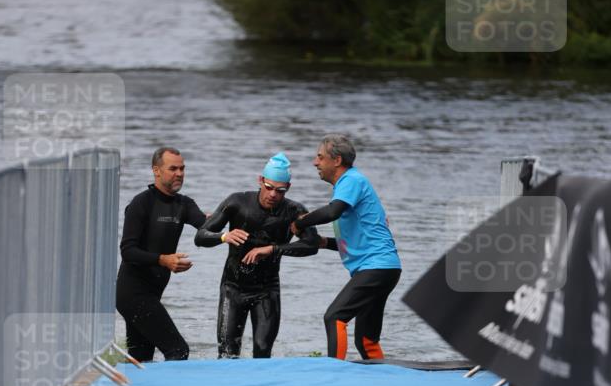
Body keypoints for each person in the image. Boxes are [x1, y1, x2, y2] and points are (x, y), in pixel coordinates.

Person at [195, 152, 319, 358]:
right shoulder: (237, 202)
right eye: (269, 187)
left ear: (288, 188)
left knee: (262, 351)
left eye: (279, 190)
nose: (272, 195)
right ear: (260, 180)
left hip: (267, 290)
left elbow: (312, 244)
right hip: (232, 288)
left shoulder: (294, 211)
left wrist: (273, 249)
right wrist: (224, 236)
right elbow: (200, 236)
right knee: (227, 354)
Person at [292, 135, 401, 361]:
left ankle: (335, 374)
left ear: (337, 160)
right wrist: (324, 243)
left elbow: (332, 212)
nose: (315, 162)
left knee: (335, 317)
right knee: (366, 339)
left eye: (320, 157)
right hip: (384, 268)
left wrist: (301, 221)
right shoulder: (349, 186)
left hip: (377, 267)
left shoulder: (351, 180)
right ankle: (381, 377)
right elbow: (355, 241)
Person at [116, 146, 206, 362]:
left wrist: (231, 224)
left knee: (141, 357)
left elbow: (206, 226)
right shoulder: (141, 203)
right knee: (178, 350)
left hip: (152, 293)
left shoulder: (184, 204)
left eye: (182, 169)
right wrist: (163, 260)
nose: (180, 174)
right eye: (173, 168)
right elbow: (128, 251)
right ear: (156, 171)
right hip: (132, 294)